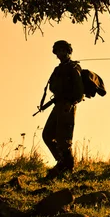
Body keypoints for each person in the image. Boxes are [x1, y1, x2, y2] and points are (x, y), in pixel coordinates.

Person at [42, 40, 84, 178]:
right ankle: (62, 161)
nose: (60, 53)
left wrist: (71, 102)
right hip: (58, 104)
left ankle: (67, 165)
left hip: (67, 105)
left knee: (64, 138)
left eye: (63, 50)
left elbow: (79, 90)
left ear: (68, 51)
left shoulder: (74, 67)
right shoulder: (58, 69)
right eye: (58, 51)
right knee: (47, 134)